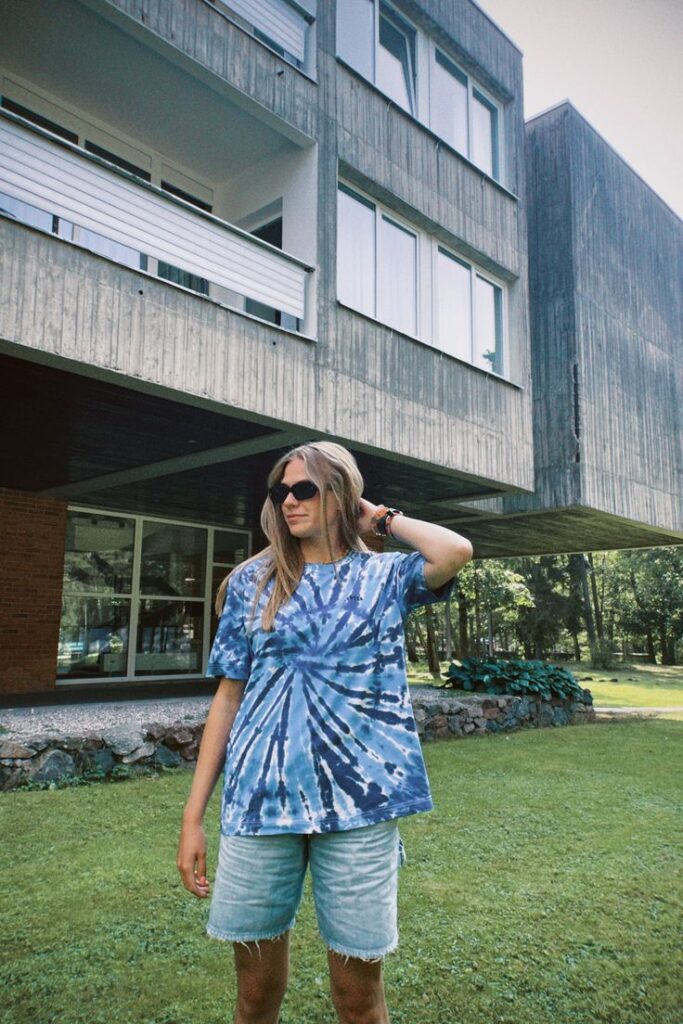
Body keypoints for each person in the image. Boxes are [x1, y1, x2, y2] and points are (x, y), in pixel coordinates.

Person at [177, 441, 473, 1024]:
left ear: (341, 494)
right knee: (255, 996)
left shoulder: (384, 577)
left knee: (357, 999)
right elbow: (228, 698)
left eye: (305, 489)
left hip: (360, 808)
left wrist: (379, 517)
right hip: (260, 805)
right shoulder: (251, 583)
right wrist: (193, 819)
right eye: (280, 491)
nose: (288, 501)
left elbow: (454, 551)